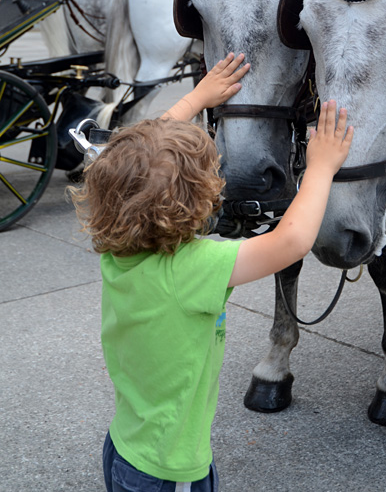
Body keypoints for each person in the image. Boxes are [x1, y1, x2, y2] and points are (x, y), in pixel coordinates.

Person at [70, 53, 353, 492]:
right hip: (167, 470)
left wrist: (197, 98)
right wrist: (321, 167)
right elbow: (291, 242)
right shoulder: (191, 270)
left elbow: (131, 160)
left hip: (126, 445)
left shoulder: (118, 250)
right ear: (197, 201)